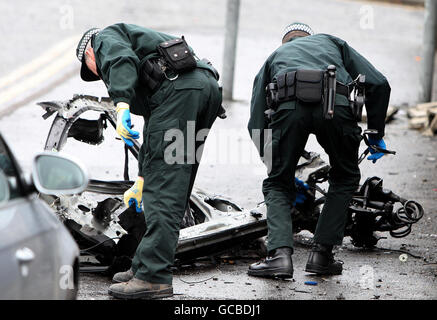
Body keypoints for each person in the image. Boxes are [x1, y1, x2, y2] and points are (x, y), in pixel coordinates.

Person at [76, 23, 223, 299]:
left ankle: (153, 277)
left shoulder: (103, 38)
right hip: (205, 89)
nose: (97, 75)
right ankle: (143, 266)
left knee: (164, 192)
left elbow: (119, 59)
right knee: (172, 187)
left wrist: (121, 107)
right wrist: (141, 180)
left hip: (180, 95)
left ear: (89, 55)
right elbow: (154, 128)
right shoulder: (145, 52)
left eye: (91, 69)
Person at [247, 22, 391, 278]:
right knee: (345, 177)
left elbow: (257, 122)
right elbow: (378, 83)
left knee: (278, 183)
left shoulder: (275, 57)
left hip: (289, 110)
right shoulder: (332, 42)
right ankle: (321, 256)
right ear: (310, 38)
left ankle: (279, 257)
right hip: (336, 106)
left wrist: (275, 160)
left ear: (286, 42)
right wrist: (376, 133)